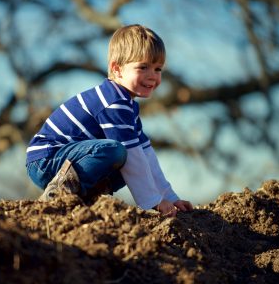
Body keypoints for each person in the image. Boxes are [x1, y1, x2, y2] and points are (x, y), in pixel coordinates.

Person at [26, 24, 193, 217]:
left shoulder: (127, 106)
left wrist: (170, 197)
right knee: (116, 151)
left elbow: (145, 156)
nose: (152, 76)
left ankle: (89, 198)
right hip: (46, 160)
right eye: (143, 67)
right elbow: (132, 154)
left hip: (69, 160)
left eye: (158, 69)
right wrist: (153, 201)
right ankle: (59, 194)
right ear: (117, 69)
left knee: (128, 161)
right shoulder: (112, 101)